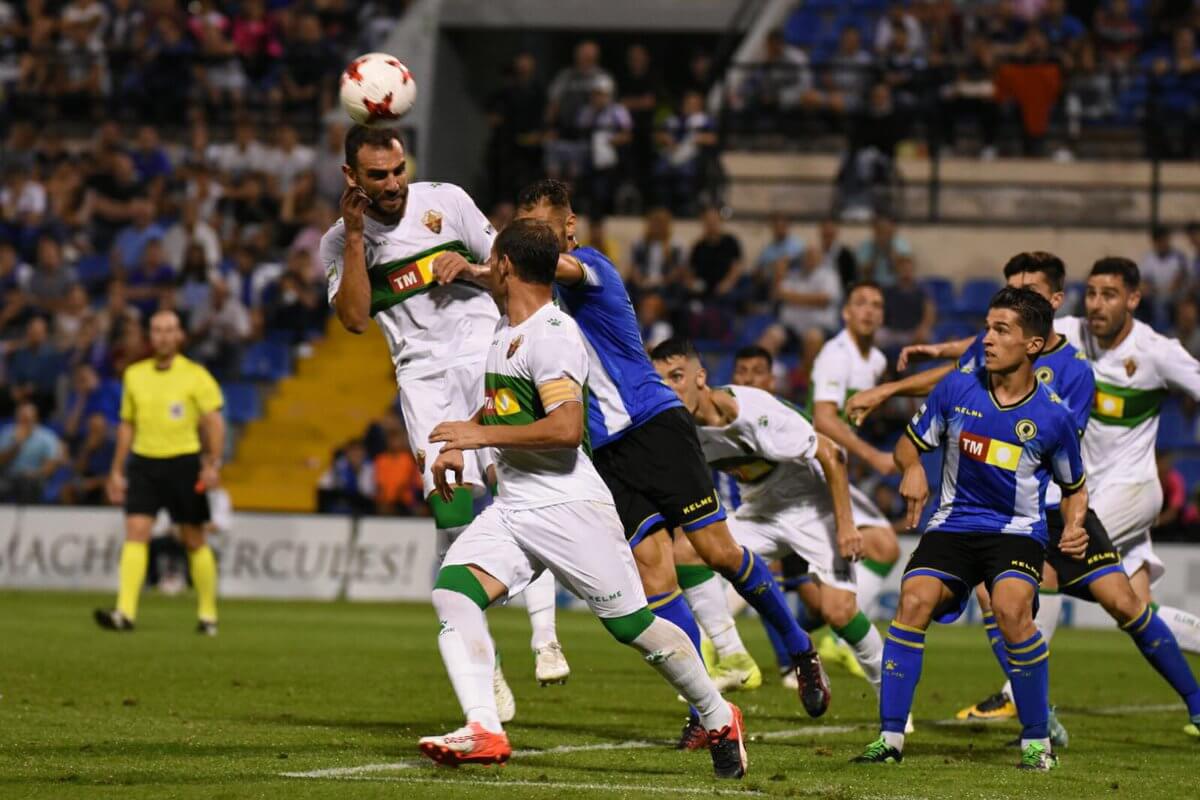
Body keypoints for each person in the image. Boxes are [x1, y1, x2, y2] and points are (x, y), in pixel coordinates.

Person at [489, 180, 831, 745]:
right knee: (654, 575)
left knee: (718, 551)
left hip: (655, 426)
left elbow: (549, 266)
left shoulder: (591, 267)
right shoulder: (531, 308)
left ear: (568, 229)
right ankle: (708, 710)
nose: (533, 241)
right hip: (610, 454)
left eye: (542, 228)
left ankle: (800, 648)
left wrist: (503, 257)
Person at [417, 218, 747, 778]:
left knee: (631, 627)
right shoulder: (508, 327)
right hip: (517, 506)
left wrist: (480, 437)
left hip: (569, 506)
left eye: (491, 261)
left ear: (503, 266)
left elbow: (567, 429)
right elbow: (504, 406)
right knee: (453, 592)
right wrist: (461, 439)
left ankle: (719, 715)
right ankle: (484, 729)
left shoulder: (552, 333)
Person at [849, 253, 1200, 739]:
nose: (1097, 303)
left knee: (1027, 585)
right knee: (1127, 602)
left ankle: (1025, 702)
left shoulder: (1083, 370)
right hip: (1055, 500)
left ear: (1050, 304)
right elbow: (968, 357)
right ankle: (1195, 704)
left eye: (1028, 291)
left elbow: (1048, 448)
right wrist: (902, 381)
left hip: (1088, 495)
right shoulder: (1054, 332)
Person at [320, 126, 567, 705]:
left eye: (398, 169)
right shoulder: (336, 242)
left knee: (527, 495)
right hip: (423, 379)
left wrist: (473, 270)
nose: (392, 183)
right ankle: (487, 659)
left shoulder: (448, 202)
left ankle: (546, 638)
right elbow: (355, 318)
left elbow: (517, 278)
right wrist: (356, 235)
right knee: (453, 518)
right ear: (351, 177)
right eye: (377, 175)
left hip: (487, 356)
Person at [852, 287, 1088, 770]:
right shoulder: (958, 388)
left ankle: (1036, 742)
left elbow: (1075, 486)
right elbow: (908, 444)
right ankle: (890, 740)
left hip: (1017, 532)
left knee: (1010, 608)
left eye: (1002, 330)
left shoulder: (1053, 416)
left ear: (1033, 345)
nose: (987, 338)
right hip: (954, 523)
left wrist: (1075, 526)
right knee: (913, 597)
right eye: (987, 327)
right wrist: (913, 466)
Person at [652, 338, 892, 716]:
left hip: (812, 509)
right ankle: (731, 654)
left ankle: (893, 704)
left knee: (839, 612)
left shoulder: (753, 412)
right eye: (660, 379)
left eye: (677, 376)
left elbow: (832, 453)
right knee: (686, 549)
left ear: (701, 377)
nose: (669, 387)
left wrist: (846, 526)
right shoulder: (680, 429)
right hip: (761, 510)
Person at [94, 310, 226, 635]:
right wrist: (116, 471)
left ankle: (208, 615)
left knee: (193, 538)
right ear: (150, 336)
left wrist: (212, 463)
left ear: (180, 335)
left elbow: (214, 421)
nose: (164, 336)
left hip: (183, 462)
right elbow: (127, 424)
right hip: (144, 463)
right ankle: (125, 612)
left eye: (170, 330)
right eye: (157, 330)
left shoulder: (196, 375)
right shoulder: (134, 375)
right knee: (136, 531)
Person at [809, 283, 904, 620]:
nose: (869, 310)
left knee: (878, 548)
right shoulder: (836, 354)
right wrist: (873, 456)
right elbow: (823, 418)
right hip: (809, 465)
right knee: (883, 546)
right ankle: (840, 633)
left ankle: (830, 631)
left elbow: (852, 421)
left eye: (876, 304)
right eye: (861, 303)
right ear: (846, 313)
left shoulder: (877, 361)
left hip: (831, 468)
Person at [0, 401, 65, 503]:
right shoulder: (7, 433)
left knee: (28, 485)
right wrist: (17, 444)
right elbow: (1, 461)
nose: (24, 422)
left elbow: (51, 465)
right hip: (9, 477)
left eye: (27, 419)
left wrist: (35, 473)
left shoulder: (47, 436)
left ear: (35, 418)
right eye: (22, 418)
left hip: (35, 477)